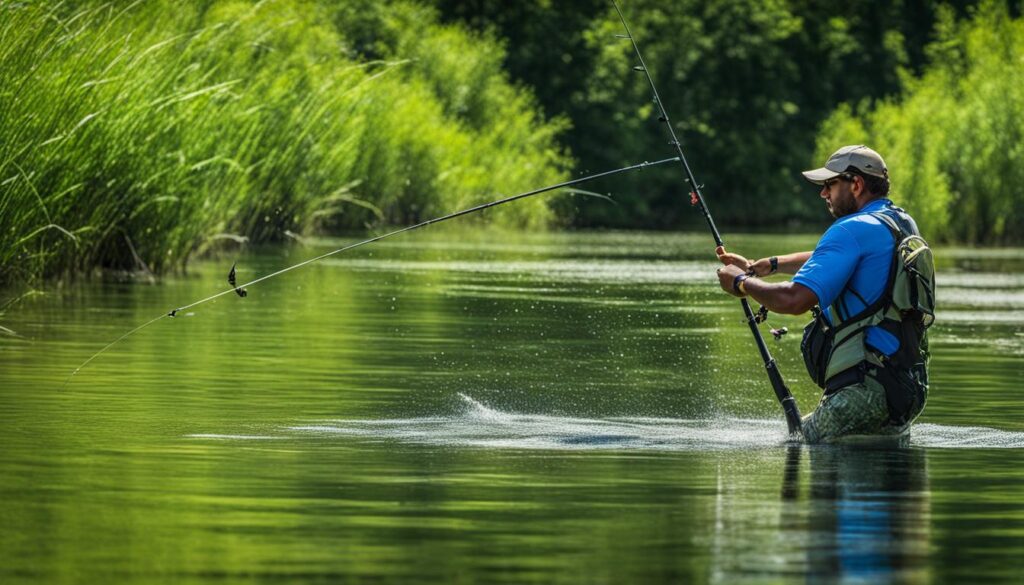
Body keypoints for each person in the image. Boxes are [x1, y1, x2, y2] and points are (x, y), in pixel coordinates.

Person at [714, 145, 932, 443]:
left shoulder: (850, 229)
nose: (823, 193)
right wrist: (766, 266)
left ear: (855, 184)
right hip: (905, 391)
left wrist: (740, 282)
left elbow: (793, 300)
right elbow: (838, 257)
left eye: (830, 184)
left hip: (861, 395)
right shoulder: (899, 223)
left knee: (797, 445)